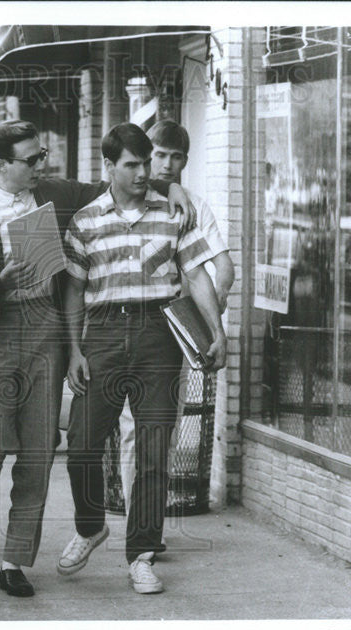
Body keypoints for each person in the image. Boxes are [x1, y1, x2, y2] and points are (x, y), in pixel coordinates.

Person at [0, 120, 196, 597]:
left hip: (45, 333)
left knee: (37, 453)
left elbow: (119, 179)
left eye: (43, 156)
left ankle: (15, 560)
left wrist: (172, 183)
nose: (43, 165)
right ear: (1, 165)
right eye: (32, 159)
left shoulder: (54, 193)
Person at [59, 123, 225, 594]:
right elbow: (73, 291)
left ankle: (142, 554)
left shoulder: (174, 214)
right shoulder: (86, 221)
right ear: (108, 167)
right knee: (82, 444)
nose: (142, 172)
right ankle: (91, 526)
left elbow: (195, 275)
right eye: (131, 164)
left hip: (159, 336)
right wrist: (74, 350)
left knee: (153, 452)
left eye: (145, 163)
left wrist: (217, 332)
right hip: (105, 334)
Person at [113, 119, 237, 522]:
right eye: (158, 155)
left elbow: (223, 268)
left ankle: (150, 519)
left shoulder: (192, 206)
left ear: (186, 160)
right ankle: (139, 520)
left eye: (175, 156)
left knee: (161, 428)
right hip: (127, 324)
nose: (165, 165)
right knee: (131, 427)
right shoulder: (124, 198)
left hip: (173, 331)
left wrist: (202, 319)